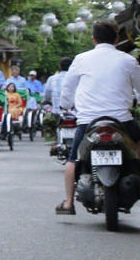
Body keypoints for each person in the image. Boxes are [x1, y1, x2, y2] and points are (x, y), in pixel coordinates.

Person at [56, 21, 140, 215]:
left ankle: (68, 203)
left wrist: (65, 106)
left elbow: (68, 89)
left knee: (73, 158)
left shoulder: (81, 59)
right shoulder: (127, 60)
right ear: (117, 38)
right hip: (122, 121)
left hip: (88, 122)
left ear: (93, 39)